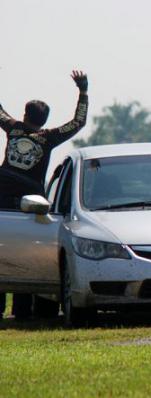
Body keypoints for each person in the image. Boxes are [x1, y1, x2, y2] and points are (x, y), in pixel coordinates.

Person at [0, 70, 89, 319]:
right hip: (31, 206)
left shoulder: (13, 129)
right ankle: (21, 311)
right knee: (25, 253)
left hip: (2, 203)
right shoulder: (48, 138)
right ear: (44, 119)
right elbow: (77, 123)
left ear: (25, 114)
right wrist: (83, 91)